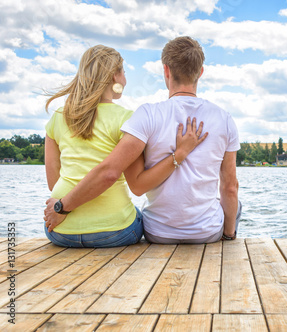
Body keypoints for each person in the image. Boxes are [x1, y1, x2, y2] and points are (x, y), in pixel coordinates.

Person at [44, 36, 241, 244]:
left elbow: (55, 182)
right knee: (233, 203)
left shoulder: (144, 115)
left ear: (166, 70)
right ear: (200, 72)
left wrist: (62, 206)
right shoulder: (224, 118)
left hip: (66, 227)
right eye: (124, 72)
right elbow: (230, 187)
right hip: (135, 230)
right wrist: (228, 235)